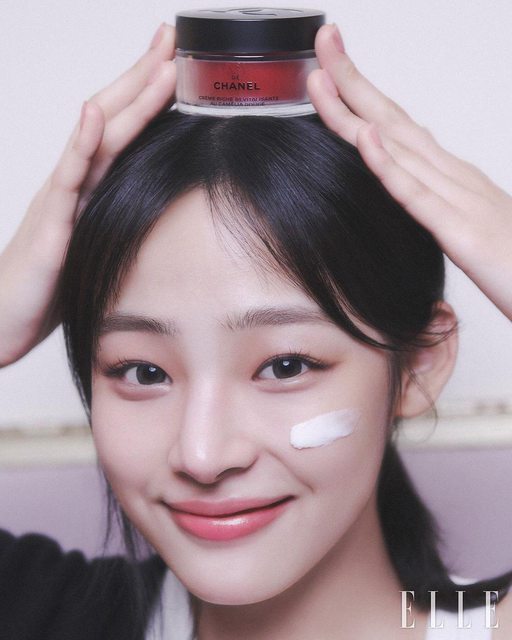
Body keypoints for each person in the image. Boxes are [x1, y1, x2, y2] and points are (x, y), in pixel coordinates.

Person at [0, 21, 511, 640]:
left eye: (285, 366)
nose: (203, 456)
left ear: (419, 365)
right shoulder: (40, 614)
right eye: (144, 371)